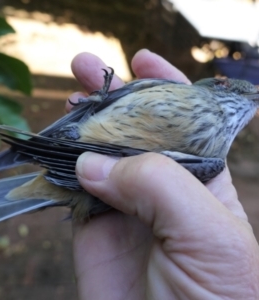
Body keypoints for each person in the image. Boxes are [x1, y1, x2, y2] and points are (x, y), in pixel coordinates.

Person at [67, 49, 259, 299]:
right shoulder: (185, 92)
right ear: (220, 85)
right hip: (81, 151)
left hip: (80, 175)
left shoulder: (213, 159)